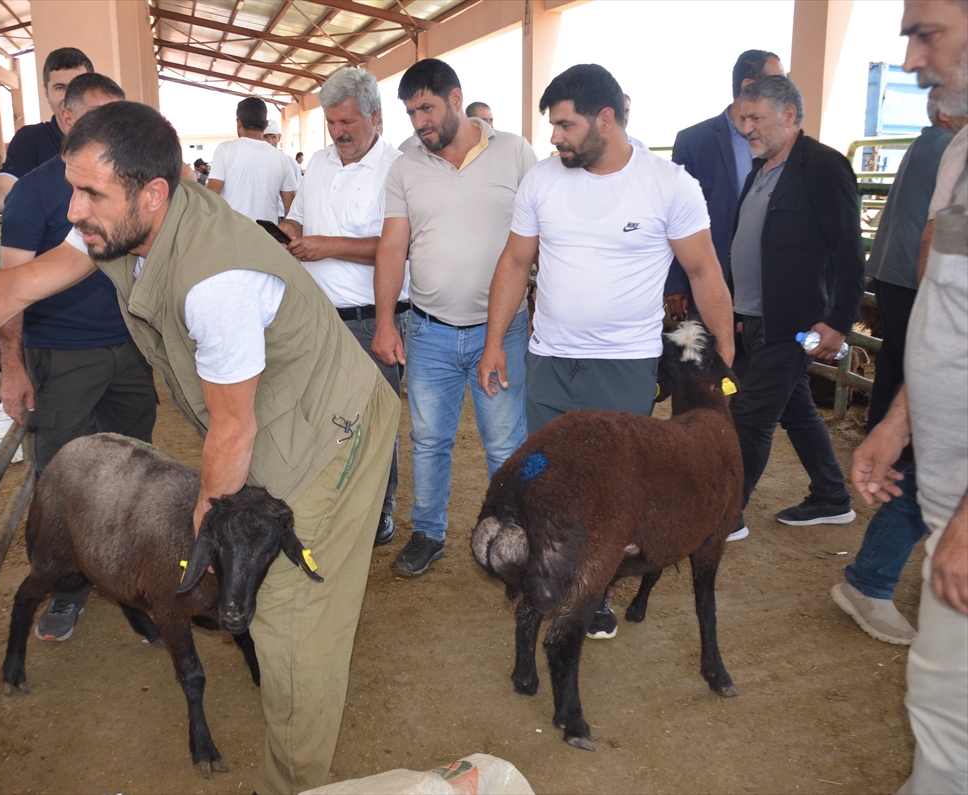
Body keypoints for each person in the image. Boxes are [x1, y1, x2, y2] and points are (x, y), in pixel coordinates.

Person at [0, 101, 398, 795]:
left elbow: (232, 431)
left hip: (328, 434)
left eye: (91, 193)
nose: (74, 210)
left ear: (153, 192)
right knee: (246, 581)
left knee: (293, 616)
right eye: (73, 188)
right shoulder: (121, 224)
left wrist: (208, 523)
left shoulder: (217, 282)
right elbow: (22, 281)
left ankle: (289, 783)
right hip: (267, 416)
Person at [478, 64, 734, 639]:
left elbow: (703, 272)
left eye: (565, 125)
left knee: (612, 489)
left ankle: (597, 592)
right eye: (553, 126)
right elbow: (516, 262)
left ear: (607, 118)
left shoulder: (669, 184)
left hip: (623, 366)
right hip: (548, 361)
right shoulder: (542, 181)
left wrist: (725, 360)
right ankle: (552, 577)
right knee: (549, 480)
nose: (554, 138)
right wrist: (495, 344)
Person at [0, 73, 158, 642]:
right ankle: (67, 590)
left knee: (136, 468)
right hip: (62, 353)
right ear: (68, 119)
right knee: (62, 477)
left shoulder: (128, 183)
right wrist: (12, 366)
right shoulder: (36, 192)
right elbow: (11, 285)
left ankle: (135, 585)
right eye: (102, 121)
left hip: (132, 347)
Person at [855, 3, 967, 791]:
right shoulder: (961, 151)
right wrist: (897, 419)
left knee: (944, 698)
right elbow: (945, 299)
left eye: (927, 32)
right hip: (945, 494)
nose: (910, 61)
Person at [374, 58, 538, 578]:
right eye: (409, 112)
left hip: (504, 331)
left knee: (507, 441)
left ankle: (514, 531)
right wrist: (384, 322)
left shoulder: (515, 153)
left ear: (454, 97)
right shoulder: (404, 167)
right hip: (427, 332)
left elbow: (545, 235)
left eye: (426, 107)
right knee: (428, 440)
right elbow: (392, 246)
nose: (418, 122)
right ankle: (428, 532)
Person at [832, 101, 962, 646]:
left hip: (904, 291)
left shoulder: (934, 145)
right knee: (936, 444)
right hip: (924, 304)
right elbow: (936, 250)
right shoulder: (948, 146)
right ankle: (872, 577)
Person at [727, 75, 865, 540]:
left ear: (789, 116)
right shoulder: (761, 168)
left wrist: (840, 321)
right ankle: (832, 496)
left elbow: (850, 252)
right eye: (742, 117)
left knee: (749, 416)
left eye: (755, 118)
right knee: (796, 408)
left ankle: (725, 516)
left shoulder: (823, 167)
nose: (746, 127)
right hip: (757, 318)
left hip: (797, 323)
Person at [278, 66, 407, 548]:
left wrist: (328, 245)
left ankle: (380, 509)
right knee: (322, 416)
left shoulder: (398, 169)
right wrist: (283, 234)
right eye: (332, 124)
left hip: (370, 319)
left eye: (348, 122)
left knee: (374, 419)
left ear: (375, 115)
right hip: (317, 318)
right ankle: (332, 502)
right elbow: (298, 220)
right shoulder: (319, 161)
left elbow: (399, 246)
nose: (339, 134)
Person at [664, 50, 786, 322]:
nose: (787, 88)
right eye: (779, 81)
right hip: (709, 284)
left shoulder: (784, 140)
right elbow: (674, 216)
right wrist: (676, 283)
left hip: (769, 289)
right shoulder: (694, 142)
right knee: (710, 363)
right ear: (748, 86)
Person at [0, 48, 93, 227]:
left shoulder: (115, 137)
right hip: (54, 251)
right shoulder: (31, 139)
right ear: (46, 92)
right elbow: (7, 188)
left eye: (76, 87)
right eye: (60, 88)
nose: (68, 98)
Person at [206, 97, 298, 221]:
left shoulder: (225, 150)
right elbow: (291, 209)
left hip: (231, 234)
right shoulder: (282, 159)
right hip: (267, 236)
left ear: (238, 123)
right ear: (265, 124)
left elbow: (212, 197)